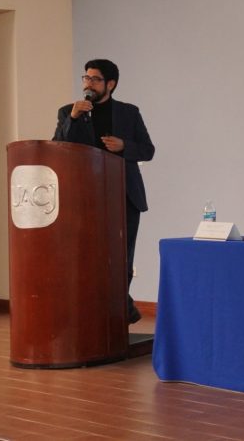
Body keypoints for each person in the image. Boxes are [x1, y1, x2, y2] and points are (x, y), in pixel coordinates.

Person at [53, 59, 155, 324]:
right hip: (85, 197)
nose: (88, 84)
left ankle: (118, 313)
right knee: (90, 259)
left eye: (95, 79)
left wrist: (124, 146)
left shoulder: (129, 113)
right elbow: (58, 147)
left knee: (121, 258)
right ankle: (114, 312)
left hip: (124, 196)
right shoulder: (68, 112)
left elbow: (148, 150)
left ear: (111, 84)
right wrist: (73, 118)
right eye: (86, 78)